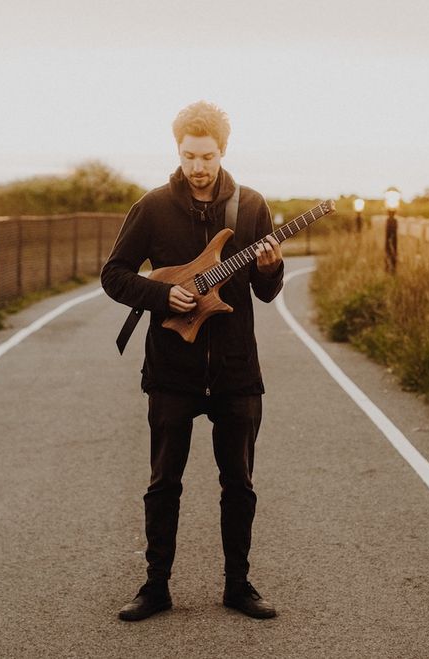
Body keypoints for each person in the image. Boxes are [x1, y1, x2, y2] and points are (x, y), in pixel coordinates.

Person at [100, 101, 284, 622]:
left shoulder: (251, 207)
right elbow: (114, 275)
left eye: (206, 156)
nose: (197, 167)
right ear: (177, 150)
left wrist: (271, 267)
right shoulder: (153, 206)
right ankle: (155, 587)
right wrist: (163, 298)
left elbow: (266, 292)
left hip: (235, 368)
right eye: (188, 156)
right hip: (172, 370)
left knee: (239, 484)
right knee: (164, 484)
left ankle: (238, 585)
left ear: (223, 151)